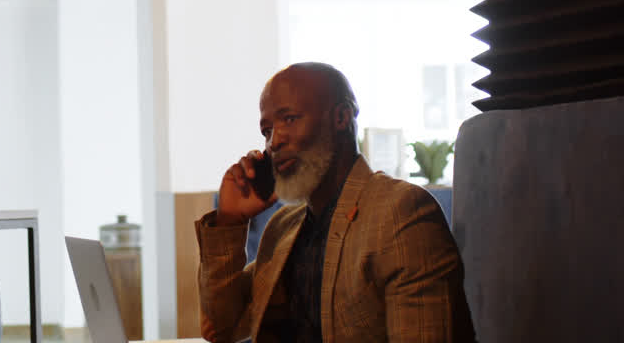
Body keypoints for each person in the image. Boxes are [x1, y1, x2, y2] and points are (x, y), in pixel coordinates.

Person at [196, 62, 475, 343]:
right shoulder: (285, 227)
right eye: (266, 130)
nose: (274, 142)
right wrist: (229, 222)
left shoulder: (400, 212)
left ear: (340, 117)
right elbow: (222, 327)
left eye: (289, 119)